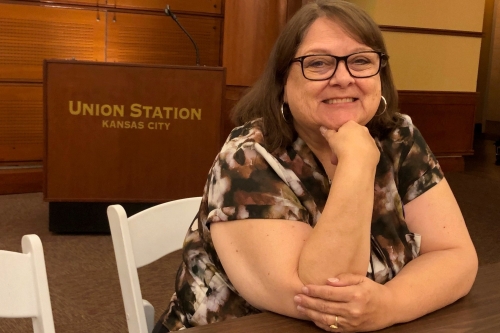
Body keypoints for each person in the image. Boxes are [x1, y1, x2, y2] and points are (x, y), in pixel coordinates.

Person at [153, 0, 478, 332]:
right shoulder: (248, 157)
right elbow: (325, 297)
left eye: (361, 61)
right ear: (282, 83)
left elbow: (457, 255)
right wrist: (356, 165)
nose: (343, 78)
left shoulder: (398, 137)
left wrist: (390, 304)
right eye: (319, 63)